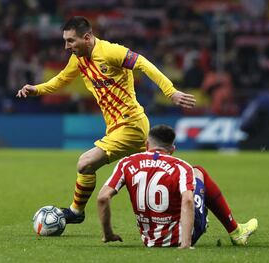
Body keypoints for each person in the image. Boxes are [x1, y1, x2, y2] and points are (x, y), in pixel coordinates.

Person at [16, 16, 196, 223]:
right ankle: (198, 203)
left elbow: (144, 64)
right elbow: (61, 80)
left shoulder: (111, 52)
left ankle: (76, 212)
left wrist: (170, 91)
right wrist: (36, 89)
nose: (66, 46)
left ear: (87, 37)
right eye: (65, 41)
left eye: (71, 41)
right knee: (159, 173)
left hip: (130, 124)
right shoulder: (79, 58)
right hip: (119, 126)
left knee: (85, 163)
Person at [97, 124, 258, 248]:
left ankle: (233, 230)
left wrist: (108, 234)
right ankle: (236, 231)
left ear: (147, 144)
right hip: (183, 237)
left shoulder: (126, 163)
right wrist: (185, 244)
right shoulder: (181, 166)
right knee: (198, 172)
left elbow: (103, 198)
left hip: (150, 240)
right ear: (173, 149)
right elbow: (187, 200)